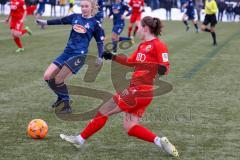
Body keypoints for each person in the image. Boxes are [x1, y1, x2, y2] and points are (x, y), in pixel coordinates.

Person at [60, 16, 179, 158]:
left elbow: (165, 67)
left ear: (146, 28)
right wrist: (113, 56)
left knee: (104, 110)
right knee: (130, 127)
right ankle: (161, 142)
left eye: (139, 27)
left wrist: (161, 69)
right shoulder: (142, 46)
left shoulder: (158, 45)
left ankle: (79, 139)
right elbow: (130, 62)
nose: (138, 30)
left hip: (139, 91)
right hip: (141, 93)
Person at [36, 0, 105, 113]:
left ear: (92, 7)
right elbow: (60, 21)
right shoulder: (74, 17)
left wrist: (100, 56)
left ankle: (67, 105)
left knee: (59, 79)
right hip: (67, 52)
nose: (83, 8)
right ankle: (60, 97)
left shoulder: (95, 24)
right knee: (48, 76)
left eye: (86, 6)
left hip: (79, 56)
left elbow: (99, 42)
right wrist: (44, 22)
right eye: (82, 6)